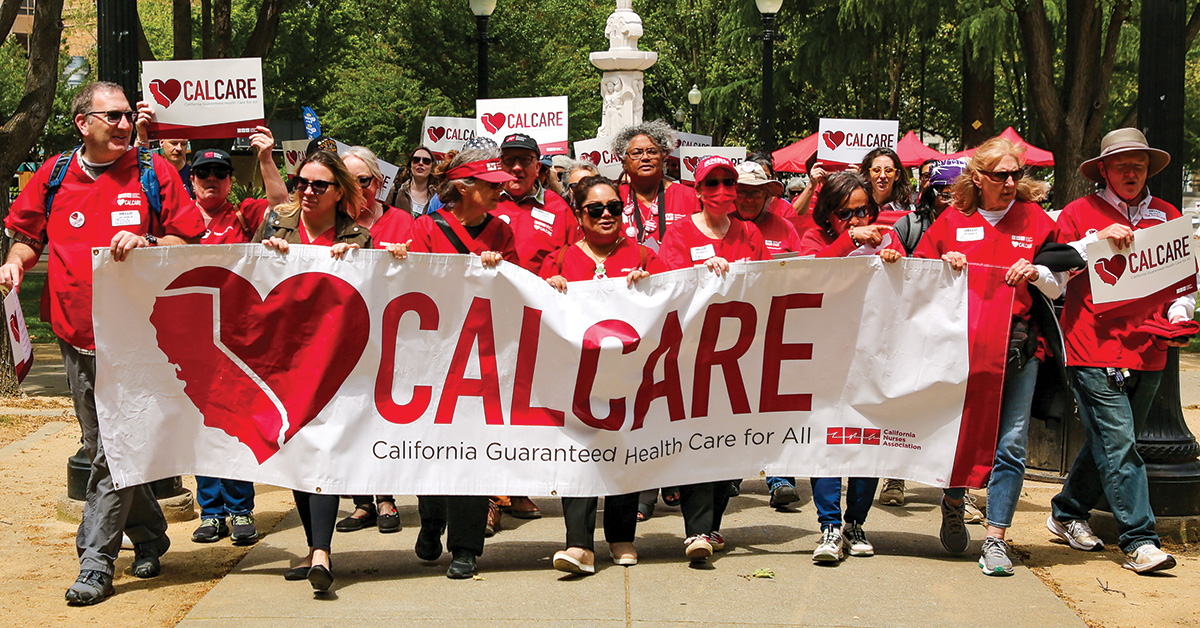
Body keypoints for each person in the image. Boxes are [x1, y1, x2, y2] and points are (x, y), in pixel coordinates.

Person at [1, 81, 205, 605]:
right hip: (76, 336)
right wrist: (15, 264)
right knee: (101, 447)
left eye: (126, 115)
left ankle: (95, 561)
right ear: (83, 123)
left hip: (141, 338)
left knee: (116, 449)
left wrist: (149, 241)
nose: (124, 124)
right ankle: (151, 535)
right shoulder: (54, 174)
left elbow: (187, 238)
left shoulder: (153, 171)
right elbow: (27, 237)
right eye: (112, 116)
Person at [913, 136, 1064, 576]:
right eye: (1000, 175)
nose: (1010, 182)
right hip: (960, 353)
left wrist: (1037, 272)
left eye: (1016, 174)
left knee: (1012, 444)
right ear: (978, 178)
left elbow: (1060, 285)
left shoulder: (1036, 220)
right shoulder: (952, 220)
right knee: (962, 437)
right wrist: (943, 264)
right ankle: (953, 501)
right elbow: (918, 277)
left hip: (1019, 348)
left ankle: (996, 538)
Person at [1048, 128, 1191, 574]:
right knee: (1121, 444)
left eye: (1139, 165)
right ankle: (1140, 540)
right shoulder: (1078, 212)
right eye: (1122, 165)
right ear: (1104, 171)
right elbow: (1052, 272)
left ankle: (1067, 512)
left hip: (1150, 348)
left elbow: (1184, 285)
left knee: (1110, 442)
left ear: (1148, 169)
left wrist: (1180, 316)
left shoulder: (1168, 215)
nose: (1131, 173)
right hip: (1091, 346)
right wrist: (1096, 244)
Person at [386, 147, 519, 579]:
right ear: (463, 187)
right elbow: (416, 284)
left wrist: (501, 270)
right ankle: (431, 520)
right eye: (491, 185)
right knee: (433, 445)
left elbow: (518, 290)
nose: (500, 191)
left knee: (472, 450)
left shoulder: (501, 231)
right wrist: (398, 261)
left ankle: (465, 546)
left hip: (481, 356)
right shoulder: (425, 228)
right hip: (432, 356)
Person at [253, 150, 368, 593]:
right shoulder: (276, 225)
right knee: (298, 451)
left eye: (319, 185)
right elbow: (251, 277)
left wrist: (361, 261)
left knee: (323, 450)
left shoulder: (358, 237)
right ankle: (313, 546)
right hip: (284, 361)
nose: (307, 191)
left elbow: (374, 294)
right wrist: (268, 256)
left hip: (335, 363)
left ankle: (321, 551)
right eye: (301, 182)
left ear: (339, 192)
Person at [540, 176, 667, 574]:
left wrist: (652, 287)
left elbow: (671, 301)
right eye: (596, 209)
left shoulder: (644, 256)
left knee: (623, 448)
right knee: (578, 455)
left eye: (614, 207)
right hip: (575, 376)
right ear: (580, 215)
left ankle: (621, 536)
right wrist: (548, 287)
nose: (606, 215)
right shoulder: (559, 259)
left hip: (628, 374)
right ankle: (578, 544)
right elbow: (536, 306)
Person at [176, 131, 288, 546]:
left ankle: (241, 509)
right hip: (189, 340)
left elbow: (284, 207)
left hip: (238, 341)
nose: (211, 179)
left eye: (219, 173)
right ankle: (211, 512)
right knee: (201, 426)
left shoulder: (244, 214)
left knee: (236, 424)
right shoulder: (175, 217)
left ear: (229, 180)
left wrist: (266, 157)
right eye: (203, 172)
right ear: (191, 179)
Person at [658, 155, 768, 562]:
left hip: (740, 354)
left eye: (728, 183)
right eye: (712, 183)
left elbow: (767, 284)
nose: (722, 191)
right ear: (699, 191)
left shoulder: (749, 232)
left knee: (730, 443)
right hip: (693, 354)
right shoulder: (679, 233)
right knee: (698, 441)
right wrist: (701, 271)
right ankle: (697, 530)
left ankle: (713, 523)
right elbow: (669, 286)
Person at [796, 171, 902, 564]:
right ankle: (829, 524)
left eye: (863, 211)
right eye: (846, 213)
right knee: (826, 437)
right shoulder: (813, 238)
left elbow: (910, 282)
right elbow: (809, 274)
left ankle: (855, 522)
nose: (857, 220)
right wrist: (850, 241)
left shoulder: (886, 237)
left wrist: (894, 261)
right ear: (828, 214)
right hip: (824, 354)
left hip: (872, 355)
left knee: (867, 438)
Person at [489, 132, 571, 526]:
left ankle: (518, 488)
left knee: (527, 407)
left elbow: (574, 257)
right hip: (493, 321)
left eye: (525, 160)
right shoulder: (487, 201)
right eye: (509, 160)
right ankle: (490, 496)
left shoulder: (559, 208)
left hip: (541, 323)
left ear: (539, 165)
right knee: (491, 405)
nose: (517, 167)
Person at [333, 145, 413, 535]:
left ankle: (386, 498)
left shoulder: (402, 221)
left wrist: (405, 257)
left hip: (391, 336)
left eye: (363, 180)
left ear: (378, 183)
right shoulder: (331, 224)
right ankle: (362, 501)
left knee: (382, 418)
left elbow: (423, 273)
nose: (356, 189)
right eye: (346, 181)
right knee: (350, 418)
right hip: (343, 337)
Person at [612, 120, 699, 249]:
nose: (645, 158)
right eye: (636, 153)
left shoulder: (689, 197)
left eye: (652, 151)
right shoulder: (613, 198)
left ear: (664, 158)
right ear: (624, 162)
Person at [893, 158, 967, 255]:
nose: (952, 203)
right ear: (932, 194)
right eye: (946, 196)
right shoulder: (908, 226)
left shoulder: (977, 227)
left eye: (960, 197)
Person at [860, 147, 914, 225]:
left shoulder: (909, 212)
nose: (882, 176)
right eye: (876, 170)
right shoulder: (859, 209)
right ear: (868, 175)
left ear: (897, 175)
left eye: (889, 171)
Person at [392, 145, 440, 218]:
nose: (420, 163)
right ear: (411, 165)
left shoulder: (438, 197)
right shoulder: (395, 191)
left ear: (432, 167)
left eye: (426, 161)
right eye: (416, 160)